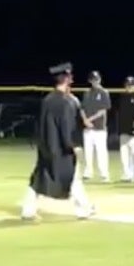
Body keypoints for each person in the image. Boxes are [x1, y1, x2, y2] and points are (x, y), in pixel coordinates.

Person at [20, 62, 95, 221]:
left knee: (39, 179)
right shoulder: (66, 102)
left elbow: (40, 125)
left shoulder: (47, 99)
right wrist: (72, 145)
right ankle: (84, 208)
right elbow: (66, 127)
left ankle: (27, 210)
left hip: (47, 147)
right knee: (72, 178)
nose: (72, 80)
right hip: (61, 149)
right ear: (66, 79)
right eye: (70, 77)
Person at [80, 71, 111, 182]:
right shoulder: (87, 93)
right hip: (88, 127)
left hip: (99, 128)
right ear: (90, 81)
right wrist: (85, 120)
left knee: (101, 152)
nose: (95, 81)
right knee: (88, 152)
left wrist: (89, 119)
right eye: (93, 79)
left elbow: (103, 110)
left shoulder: (104, 92)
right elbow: (82, 108)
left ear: (100, 79)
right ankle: (88, 173)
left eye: (97, 79)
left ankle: (104, 174)